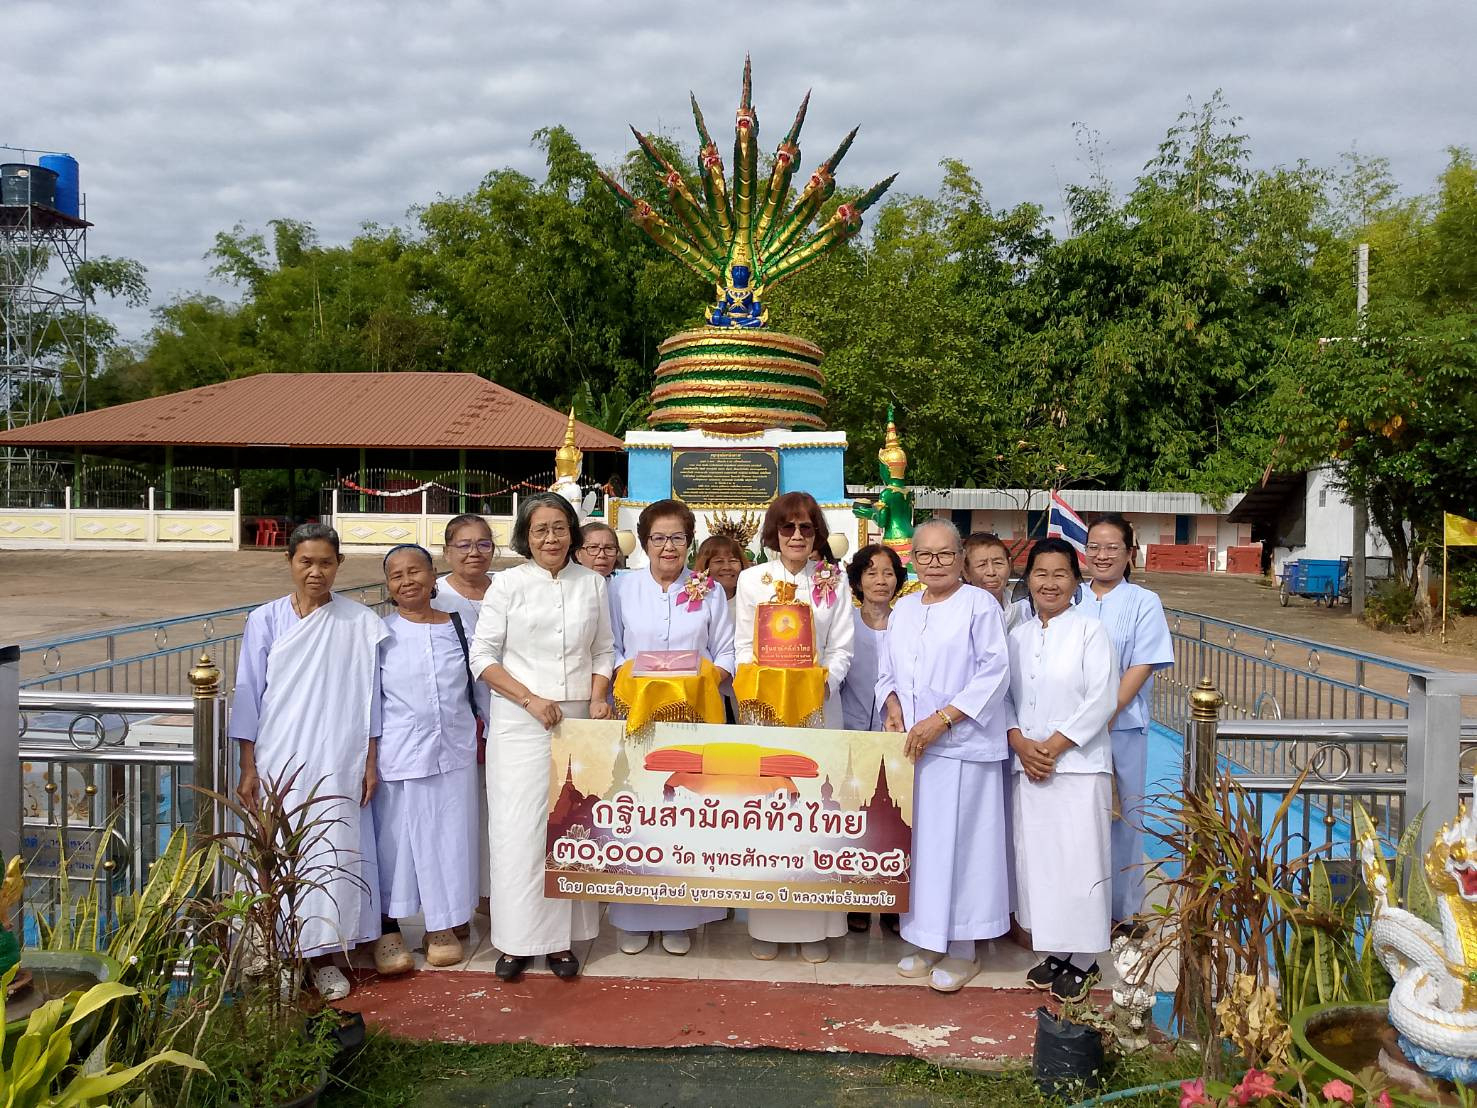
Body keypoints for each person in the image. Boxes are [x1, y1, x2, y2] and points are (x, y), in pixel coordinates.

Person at [231, 523, 390, 1001]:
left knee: (330, 850)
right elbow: (248, 696)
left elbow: (371, 699)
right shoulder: (265, 620)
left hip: (338, 756)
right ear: (290, 563)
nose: (316, 571)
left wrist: (370, 760)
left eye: (326, 562)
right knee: (277, 850)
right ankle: (278, 951)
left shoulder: (358, 622)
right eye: (307, 562)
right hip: (279, 755)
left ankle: (322, 956)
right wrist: (247, 765)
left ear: (339, 564)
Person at [469, 493, 614, 982]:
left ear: (573, 531)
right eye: (540, 530)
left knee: (570, 827)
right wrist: (530, 699)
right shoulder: (506, 584)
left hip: (577, 723)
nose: (550, 538)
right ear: (525, 537)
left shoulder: (592, 584)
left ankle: (561, 945)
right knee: (520, 831)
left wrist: (598, 697)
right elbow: (482, 656)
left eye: (558, 528)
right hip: (520, 720)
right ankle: (515, 942)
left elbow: (603, 651)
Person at [877, 520, 1012, 992]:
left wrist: (943, 720)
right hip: (915, 750)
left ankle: (964, 949)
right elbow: (887, 672)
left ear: (961, 559)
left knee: (964, 848)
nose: (935, 564)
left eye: (945, 555)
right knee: (927, 850)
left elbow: (994, 673)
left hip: (962, 748)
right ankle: (929, 938)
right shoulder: (904, 610)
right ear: (912, 558)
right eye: (926, 555)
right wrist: (892, 707)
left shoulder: (979, 605)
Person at [607, 499, 735, 956]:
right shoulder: (622, 589)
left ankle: (684, 916)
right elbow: (614, 649)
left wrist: (703, 683)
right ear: (644, 543)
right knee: (639, 812)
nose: (668, 547)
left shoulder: (709, 590)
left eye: (677, 538)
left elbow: (726, 652)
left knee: (684, 811)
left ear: (689, 542)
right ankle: (633, 916)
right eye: (659, 538)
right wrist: (641, 680)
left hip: (693, 722)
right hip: (638, 720)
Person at [732, 491, 854, 963]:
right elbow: (744, 646)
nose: (797, 536)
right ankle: (766, 928)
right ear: (774, 533)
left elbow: (843, 647)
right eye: (788, 528)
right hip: (764, 711)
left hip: (819, 709)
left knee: (816, 809)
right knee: (769, 812)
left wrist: (825, 683)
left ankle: (815, 930)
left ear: (818, 534)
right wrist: (760, 690)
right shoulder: (751, 580)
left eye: (806, 528)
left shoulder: (833, 581)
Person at [1006, 537, 1118, 1002]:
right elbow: (1004, 699)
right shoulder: (1017, 635)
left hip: (1077, 767)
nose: (1049, 583)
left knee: (1081, 860)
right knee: (1041, 862)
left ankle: (1086, 958)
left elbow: (1102, 698)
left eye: (1060, 574)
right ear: (1027, 579)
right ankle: (1055, 951)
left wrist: (1051, 746)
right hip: (1027, 766)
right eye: (1040, 574)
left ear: (1076, 581)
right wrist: (1018, 741)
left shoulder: (1091, 630)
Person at [374, 544, 480, 970]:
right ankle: (389, 927)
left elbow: (481, 683)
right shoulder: (379, 632)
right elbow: (366, 700)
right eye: (396, 575)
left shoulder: (460, 625)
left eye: (414, 571)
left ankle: (443, 923)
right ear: (388, 586)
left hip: (454, 750)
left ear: (433, 575)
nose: (407, 581)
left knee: (449, 838)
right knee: (395, 844)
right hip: (399, 754)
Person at [1075, 514, 1175, 927]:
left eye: (1112, 547)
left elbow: (1142, 664)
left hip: (1121, 727)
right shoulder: (1072, 595)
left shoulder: (1141, 602)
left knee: (1124, 817)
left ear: (1129, 553)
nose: (1101, 555)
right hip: (1069, 731)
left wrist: (1102, 715)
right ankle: (1078, 905)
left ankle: (1123, 910)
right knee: (1078, 817)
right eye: (1094, 546)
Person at [431, 514, 497, 915]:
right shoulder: (434, 595)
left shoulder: (507, 590)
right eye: (464, 545)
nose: (474, 553)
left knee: (495, 811)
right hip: (455, 721)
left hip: (506, 714)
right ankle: (457, 901)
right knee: (458, 814)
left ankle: (492, 894)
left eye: (483, 544)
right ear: (446, 551)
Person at [840, 542, 905, 936]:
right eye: (872, 572)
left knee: (896, 820)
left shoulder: (909, 621)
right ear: (858, 580)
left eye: (888, 573)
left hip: (896, 735)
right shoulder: (845, 621)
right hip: (850, 733)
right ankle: (857, 899)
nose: (881, 581)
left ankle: (895, 902)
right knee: (855, 821)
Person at [964, 532, 1027, 630]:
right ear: (966, 572)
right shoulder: (958, 614)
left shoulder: (1023, 609)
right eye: (982, 565)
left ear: (1010, 565)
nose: (991, 572)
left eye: (998, 563)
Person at [693, 534, 747, 601]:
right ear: (705, 566)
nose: (727, 567)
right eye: (719, 561)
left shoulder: (751, 599)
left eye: (733, 561)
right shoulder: (694, 602)